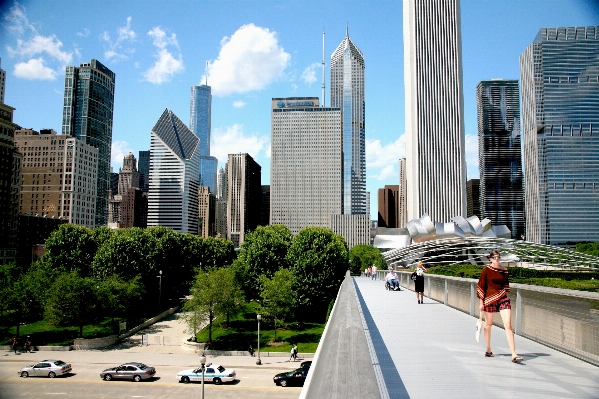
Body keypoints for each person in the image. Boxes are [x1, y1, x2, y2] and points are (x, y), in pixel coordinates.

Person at [477, 250, 523, 363]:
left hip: (503, 298)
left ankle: (513, 353)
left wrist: (505, 296)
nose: (496, 259)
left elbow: (506, 285)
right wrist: (481, 303)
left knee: (508, 325)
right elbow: (481, 285)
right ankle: (488, 349)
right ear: (490, 259)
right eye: (494, 257)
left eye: (498, 257)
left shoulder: (504, 270)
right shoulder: (486, 270)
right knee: (488, 325)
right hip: (489, 299)